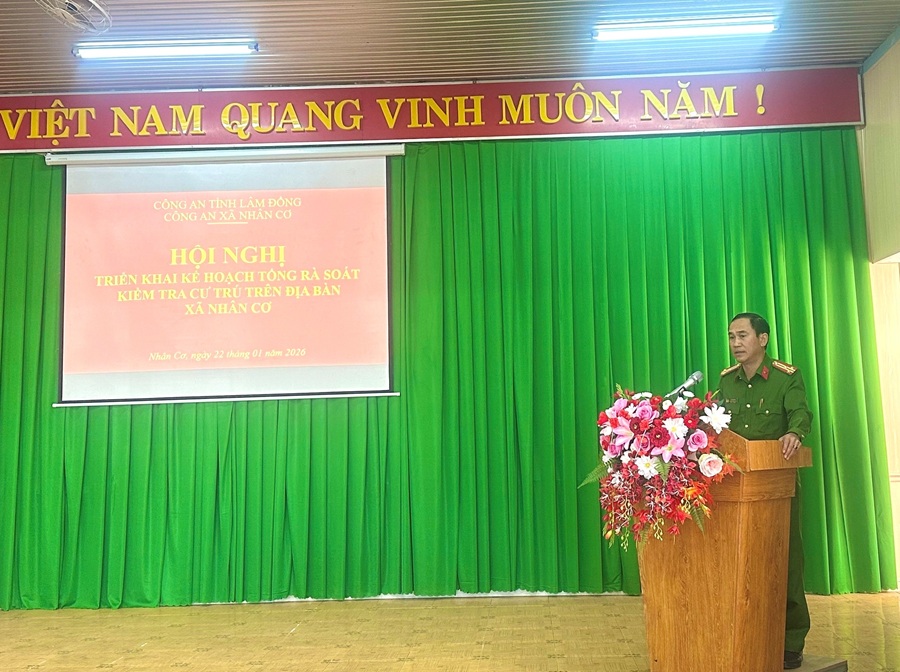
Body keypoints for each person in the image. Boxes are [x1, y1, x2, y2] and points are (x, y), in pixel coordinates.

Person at [718, 312, 813, 671]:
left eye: (742, 335)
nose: (736, 343)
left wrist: (794, 432)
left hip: (776, 487)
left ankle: (790, 640)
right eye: (731, 336)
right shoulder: (726, 380)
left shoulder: (786, 377)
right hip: (734, 489)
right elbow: (716, 424)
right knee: (739, 565)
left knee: (785, 562)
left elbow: (801, 414)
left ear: (763, 339)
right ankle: (745, 633)